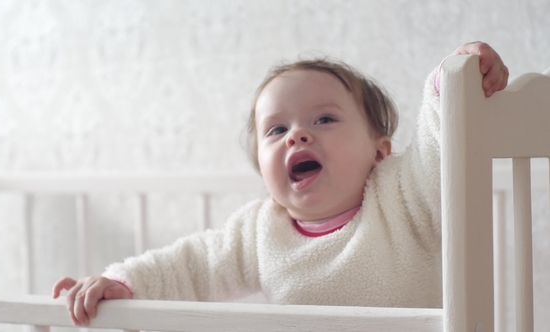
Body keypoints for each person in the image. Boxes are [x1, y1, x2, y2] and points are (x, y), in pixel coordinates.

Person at [52, 41, 508, 326]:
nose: (297, 135)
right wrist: (123, 283)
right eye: (276, 131)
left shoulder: (401, 196)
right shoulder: (259, 232)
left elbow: (438, 149)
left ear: (380, 151)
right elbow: (191, 265)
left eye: (325, 118)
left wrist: (449, 85)